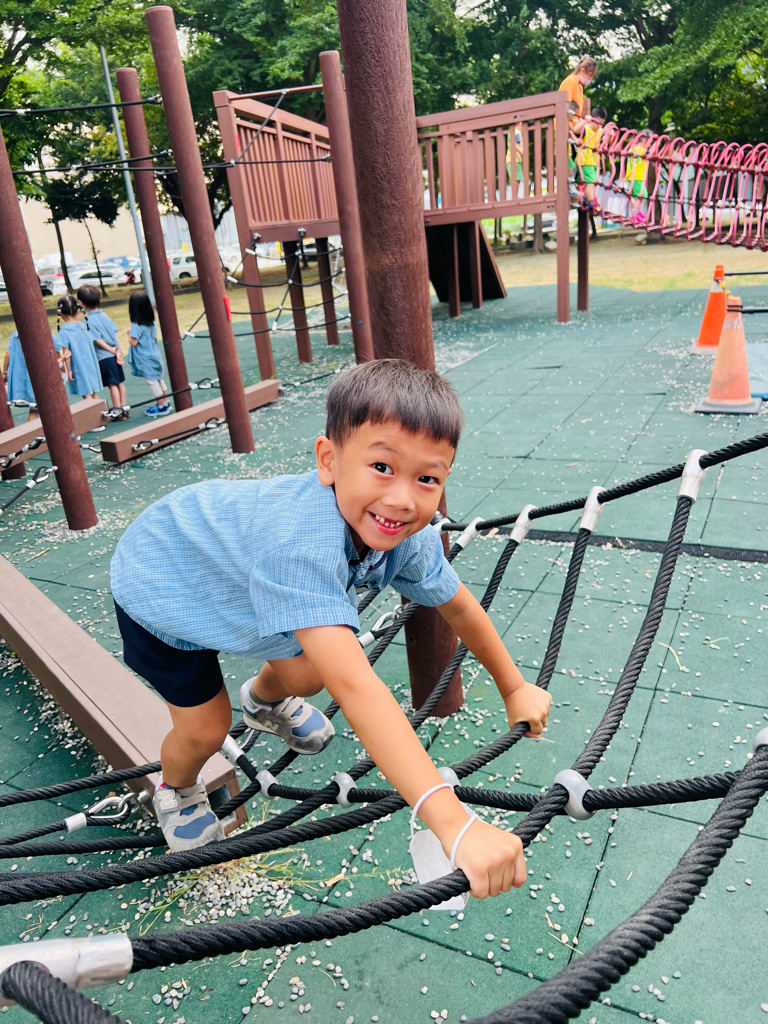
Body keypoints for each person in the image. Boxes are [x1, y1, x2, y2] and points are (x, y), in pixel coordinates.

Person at [110, 359, 552, 898]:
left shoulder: (405, 530)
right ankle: (176, 790)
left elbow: (458, 606)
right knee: (206, 728)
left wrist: (514, 685)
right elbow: (357, 687)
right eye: (382, 467)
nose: (402, 498)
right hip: (165, 584)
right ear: (329, 460)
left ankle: (264, 701)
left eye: (427, 478)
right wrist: (455, 824)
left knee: (309, 673)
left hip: (233, 578)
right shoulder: (301, 545)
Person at [77, 285, 128, 420]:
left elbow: (97, 340)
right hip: (115, 353)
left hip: (105, 356)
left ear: (81, 303)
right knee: (120, 382)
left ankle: (117, 410)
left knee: (112, 384)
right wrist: (118, 349)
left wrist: (110, 350)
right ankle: (124, 408)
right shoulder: (105, 315)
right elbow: (114, 333)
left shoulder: (88, 320)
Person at [2, 328, 67, 421]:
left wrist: (5, 373)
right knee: (47, 406)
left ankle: (36, 428)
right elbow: (56, 354)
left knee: (36, 408)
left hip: (25, 378)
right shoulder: (45, 332)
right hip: (43, 376)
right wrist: (63, 370)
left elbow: (8, 354)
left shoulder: (16, 335)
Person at [127, 290, 170, 417]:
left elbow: (133, 342)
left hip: (145, 358)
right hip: (154, 355)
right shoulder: (152, 322)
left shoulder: (136, 325)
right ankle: (165, 402)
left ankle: (161, 406)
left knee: (152, 382)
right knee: (159, 379)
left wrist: (129, 335)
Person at [56, 294, 103, 401]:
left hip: (78, 367)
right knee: (93, 393)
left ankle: (95, 412)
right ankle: (103, 411)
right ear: (78, 310)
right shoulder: (83, 326)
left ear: (60, 312)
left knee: (87, 395)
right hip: (91, 364)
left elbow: (66, 353)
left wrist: (69, 370)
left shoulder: (65, 331)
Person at [576, 107, 607, 212]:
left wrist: (611, 136)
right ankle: (591, 201)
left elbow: (607, 142)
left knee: (591, 182)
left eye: (601, 124)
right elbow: (575, 130)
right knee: (590, 183)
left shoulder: (600, 131)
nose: (599, 126)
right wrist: (585, 121)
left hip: (593, 162)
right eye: (597, 123)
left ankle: (586, 199)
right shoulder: (586, 128)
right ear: (592, 120)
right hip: (584, 161)